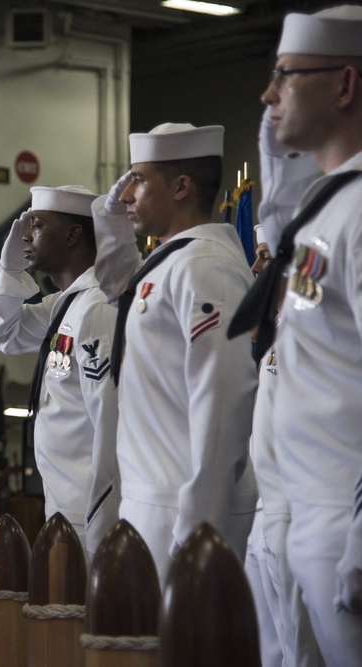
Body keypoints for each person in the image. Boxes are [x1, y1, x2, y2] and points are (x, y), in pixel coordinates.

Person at [243, 7, 362, 664]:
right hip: (310, 525)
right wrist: (275, 141)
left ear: (345, 85)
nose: (268, 95)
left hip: (347, 533)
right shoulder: (328, 206)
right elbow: (278, 222)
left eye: (285, 76)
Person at [91, 122, 258, 583]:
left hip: (184, 514)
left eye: (138, 180)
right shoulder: (170, 262)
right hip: (152, 508)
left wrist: (198, 528)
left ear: (182, 186)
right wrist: (109, 218)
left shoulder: (207, 267)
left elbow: (222, 401)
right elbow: (115, 284)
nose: (126, 195)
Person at [0, 185, 119, 559]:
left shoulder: (97, 308)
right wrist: (8, 269)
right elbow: (4, 333)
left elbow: (110, 423)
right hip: (63, 507)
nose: (27, 235)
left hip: (89, 516)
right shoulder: (65, 305)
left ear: (73, 234)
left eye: (38, 224)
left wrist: (102, 524)